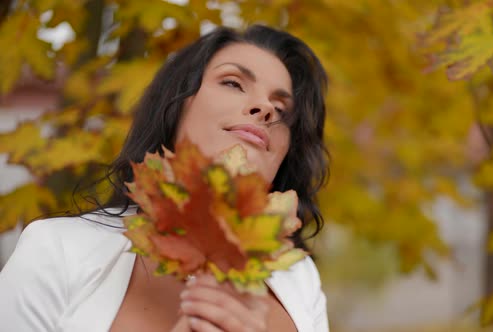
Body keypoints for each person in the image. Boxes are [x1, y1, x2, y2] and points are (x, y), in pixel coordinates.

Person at [0, 24, 330, 332]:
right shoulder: (58, 249)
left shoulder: (299, 281)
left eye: (283, 110)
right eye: (232, 83)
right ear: (175, 108)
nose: (265, 108)